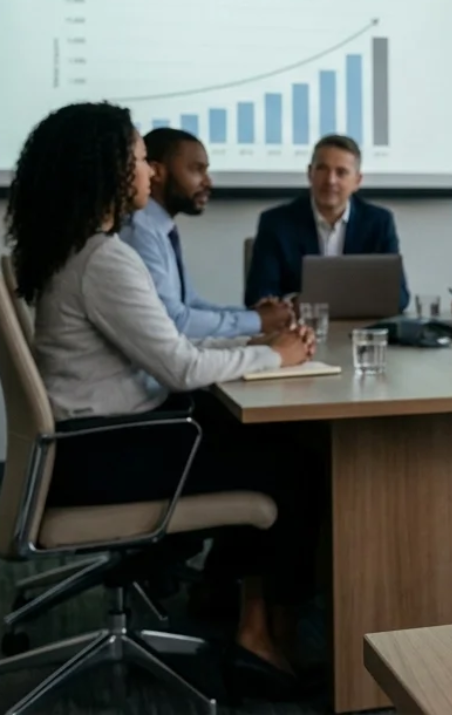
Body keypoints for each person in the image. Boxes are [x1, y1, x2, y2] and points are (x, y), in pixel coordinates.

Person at [10, 102, 320, 693]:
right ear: (107, 170)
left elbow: (169, 341)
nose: (150, 173)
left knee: (254, 436)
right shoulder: (105, 260)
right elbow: (179, 363)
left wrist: (256, 340)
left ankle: (230, 606)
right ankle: (256, 633)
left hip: (87, 446)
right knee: (289, 463)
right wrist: (276, 355)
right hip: (105, 456)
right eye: (137, 160)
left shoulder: (75, 250)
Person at [120, 128, 295, 340]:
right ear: (157, 172)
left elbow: (191, 304)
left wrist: (256, 315)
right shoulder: (140, 233)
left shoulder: (161, 229)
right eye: (197, 170)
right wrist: (258, 321)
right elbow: (173, 322)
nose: (208, 182)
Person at [245, 134, 410, 309]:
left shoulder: (379, 222)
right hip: (296, 329)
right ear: (310, 174)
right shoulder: (276, 222)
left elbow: (399, 297)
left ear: (357, 181)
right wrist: (297, 302)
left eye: (341, 172)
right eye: (322, 169)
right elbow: (257, 295)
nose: (330, 180)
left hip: (360, 328)